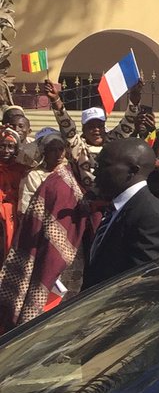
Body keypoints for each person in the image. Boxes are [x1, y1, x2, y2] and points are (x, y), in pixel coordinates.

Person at [0, 134, 88, 329]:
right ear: (43, 152)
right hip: (39, 238)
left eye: (60, 149)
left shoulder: (71, 174)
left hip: (68, 239)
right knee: (41, 283)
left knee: (66, 288)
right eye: (52, 150)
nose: (57, 154)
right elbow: (27, 210)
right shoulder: (34, 176)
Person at [82, 139, 159, 290]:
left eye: (103, 165)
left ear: (132, 170)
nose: (95, 172)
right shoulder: (118, 208)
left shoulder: (148, 214)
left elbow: (146, 283)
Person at [0, 129, 29, 259]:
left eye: (11, 147)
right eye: (2, 146)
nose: (6, 150)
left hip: (17, 217)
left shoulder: (22, 169)